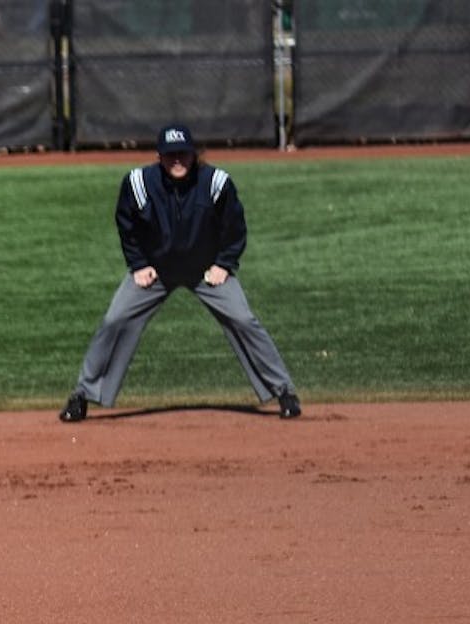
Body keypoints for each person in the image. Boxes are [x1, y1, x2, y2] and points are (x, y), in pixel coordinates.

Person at [60, 124, 302, 422]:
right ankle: (82, 395)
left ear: (194, 154)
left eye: (183, 154)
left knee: (243, 319)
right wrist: (138, 264)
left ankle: (284, 392)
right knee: (116, 319)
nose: (177, 160)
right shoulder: (138, 182)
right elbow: (127, 226)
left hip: (205, 270)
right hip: (155, 271)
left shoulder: (216, 182)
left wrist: (224, 264)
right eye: (170, 154)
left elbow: (235, 228)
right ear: (159, 156)